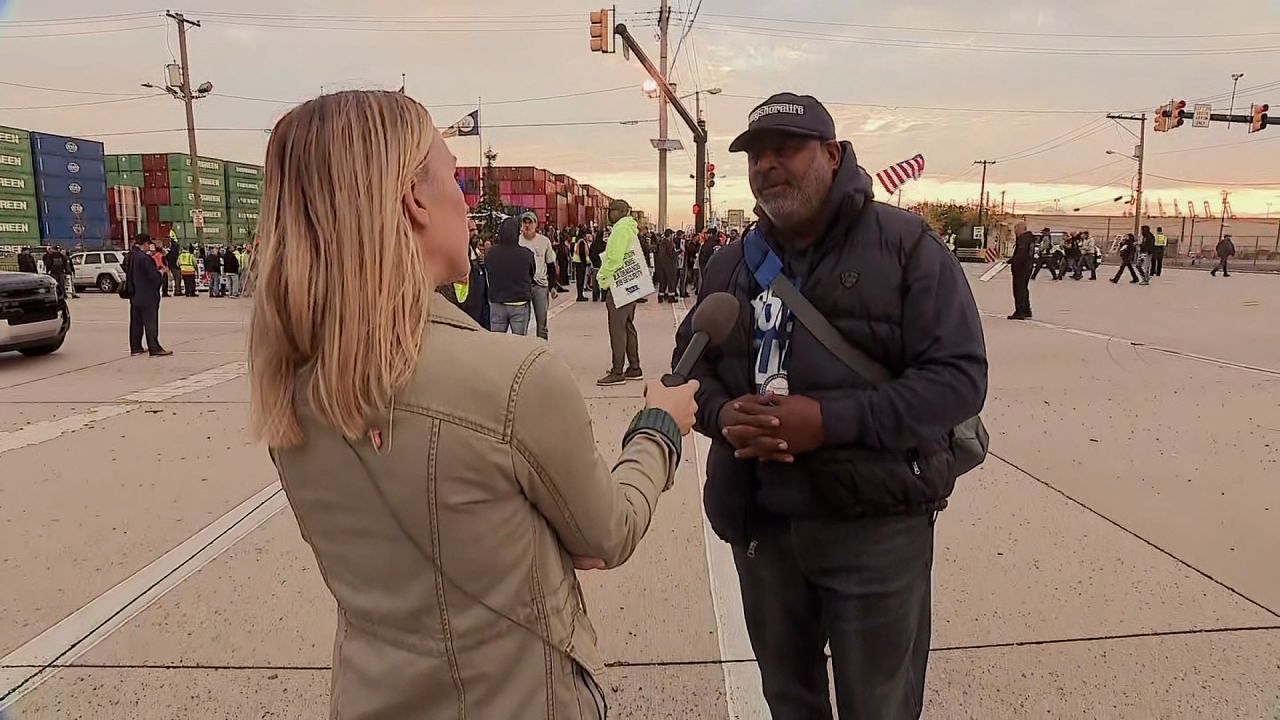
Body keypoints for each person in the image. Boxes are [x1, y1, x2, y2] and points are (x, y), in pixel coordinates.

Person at [246, 90, 700, 720]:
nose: (466, 201)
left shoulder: (287, 385)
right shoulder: (516, 381)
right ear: (414, 200)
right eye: (454, 176)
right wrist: (659, 428)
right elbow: (608, 533)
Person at [678, 92, 987, 720]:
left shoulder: (907, 245)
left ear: (833, 153)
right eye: (756, 156)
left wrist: (828, 423)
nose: (767, 166)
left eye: (785, 150)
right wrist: (722, 415)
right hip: (763, 526)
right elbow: (693, 372)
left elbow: (959, 379)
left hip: (873, 528)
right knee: (789, 702)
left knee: (879, 705)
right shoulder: (730, 264)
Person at [596, 199, 643, 386]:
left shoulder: (620, 230)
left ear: (621, 212)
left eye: (611, 210)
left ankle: (617, 372)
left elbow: (614, 259)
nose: (609, 213)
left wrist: (602, 278)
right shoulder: (630, 229)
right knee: (627, 326)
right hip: (629, 285)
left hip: (617, 286)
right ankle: (634, 367)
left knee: (617, 330)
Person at [124, 234, 172, 357]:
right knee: (150, 322)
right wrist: (161, 272)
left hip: (134, 294)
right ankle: (154, 348)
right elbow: (153, 277)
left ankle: (136, 347)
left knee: (136, 323)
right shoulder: (145, 259)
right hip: (148, 295)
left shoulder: (130, 256)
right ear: (145, 243)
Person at [486, 216, 535, 335]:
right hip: (519, 301)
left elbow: (488, 271)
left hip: (497, 301)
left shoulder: (491, 253)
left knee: (497, 342)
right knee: (519, 342)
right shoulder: (526, 254)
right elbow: (532, 272)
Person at [518, 211, 557, 340]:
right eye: (525, 222)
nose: (527, 225)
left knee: (542, 321)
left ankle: (542, 346)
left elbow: (550, 265)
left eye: (530, 222)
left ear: (536, 225)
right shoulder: (517, 241)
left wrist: (553, 286)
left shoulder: (544, 241)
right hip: (523, 285)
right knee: (522, 321)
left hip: (540, 285)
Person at [1009, 221, 1036, 319]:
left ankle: (1020, 311)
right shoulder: (1029, 239)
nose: (1015, 232)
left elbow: (1021, 254)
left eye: (1015, 229)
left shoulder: (1024, 240)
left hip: (1021, 268)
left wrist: (1012, 261)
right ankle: (1026, 310)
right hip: (1027, 266)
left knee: (1019, 289)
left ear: (1020, 229)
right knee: (1024, 289)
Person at [654, 228, 679, 303]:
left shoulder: (661, 242)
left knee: (663, 281)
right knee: (671, 281)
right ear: (670, 235)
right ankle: (671, 297)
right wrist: (679, 252)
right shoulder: (669, 243)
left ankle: (661, 296)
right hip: (669, 265)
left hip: (661, 265)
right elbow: (671, 254)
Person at [588, 227, 606, 302]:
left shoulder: (593, 244)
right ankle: (603, 297)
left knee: (595, 283)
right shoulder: (604, 244)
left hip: (595, 266)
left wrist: (592, 261)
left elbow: (590, 254)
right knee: (603, 281)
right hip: (602, 265)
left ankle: (595, 296)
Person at [573, 229, 591, 301]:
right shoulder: (582, 241)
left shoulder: (578, 240)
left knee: (579, 279)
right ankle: (580, 296)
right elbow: (582, 253)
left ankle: (580, 295)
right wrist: (585, 261)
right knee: (580, 279)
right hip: (581, 263)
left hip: (577, 262)